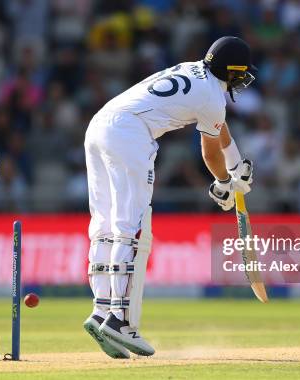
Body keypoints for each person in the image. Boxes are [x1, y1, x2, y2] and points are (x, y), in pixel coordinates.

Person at [82, 36, 255, 358]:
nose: (242, 79)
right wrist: (222, 183)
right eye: (241, 72)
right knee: (128, 225)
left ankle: (101, 309)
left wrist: (237, 168)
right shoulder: (212, 99)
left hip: (99, 126)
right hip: (128, 134)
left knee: (104, 224)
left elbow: (219, 129)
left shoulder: (195, 72)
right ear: (231, 70)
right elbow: (209, 150)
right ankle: (119, 320)